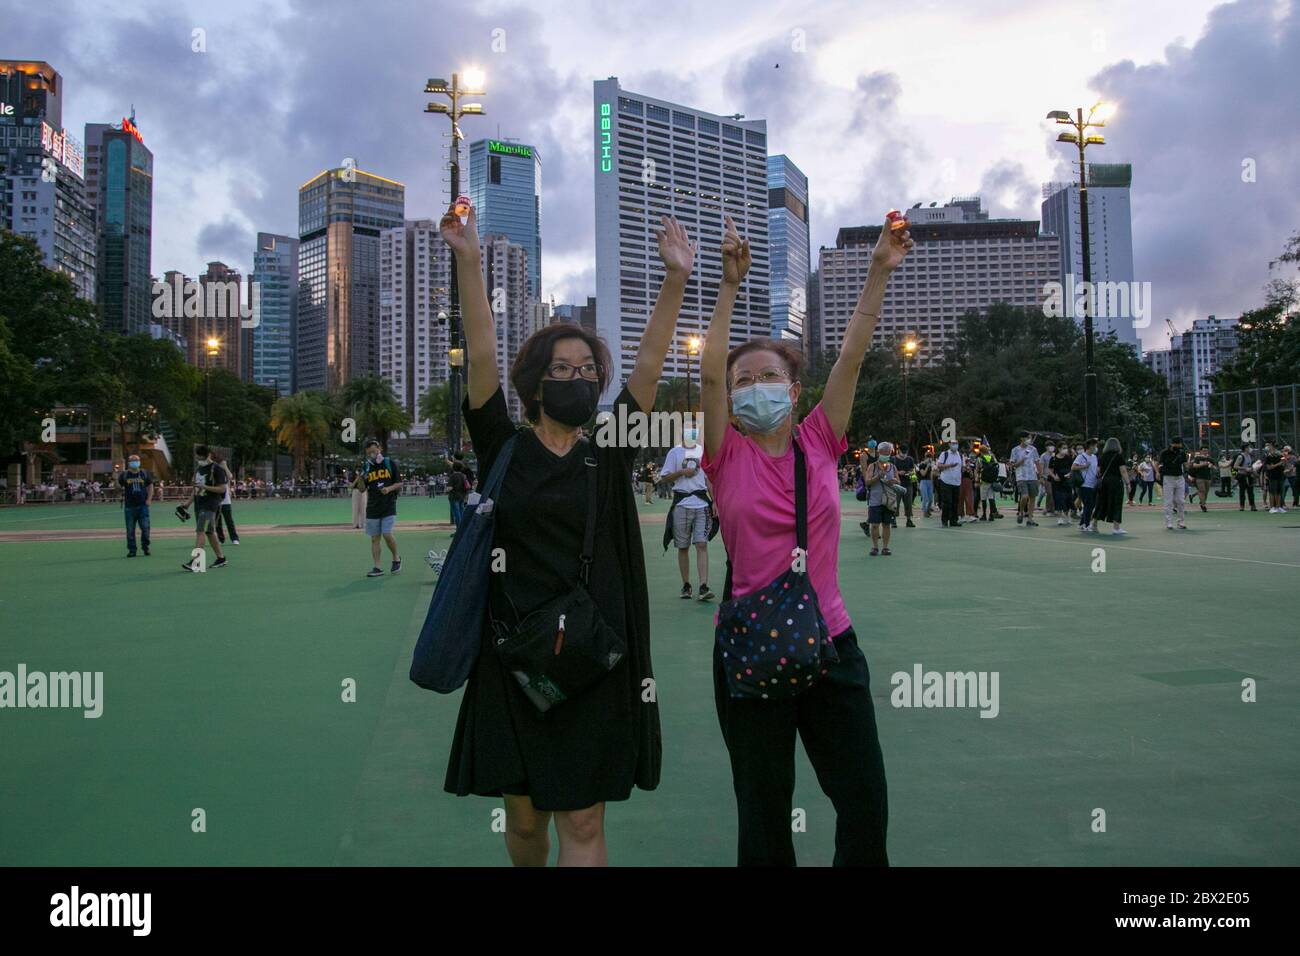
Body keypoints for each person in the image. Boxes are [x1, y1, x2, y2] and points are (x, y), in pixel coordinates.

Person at [440, 201, 672, 867]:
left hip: (592, 659)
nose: (579, 377)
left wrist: (675, 280)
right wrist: (468, 259)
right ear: (535, 385)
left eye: (587, 369)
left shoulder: (611, 446)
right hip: (514, 658)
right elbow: (481, 351)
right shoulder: (502, 448)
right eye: (563, 369)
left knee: (585, 823)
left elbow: (651, 364)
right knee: (523, 823)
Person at [699, 211, 906, 867]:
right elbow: (705, 373)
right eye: (744, 380)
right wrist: (729, 287)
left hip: (831, 646)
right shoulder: (723, 454)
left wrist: (877, 269)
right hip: (752, 646)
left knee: (865, 800)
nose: (756, 387)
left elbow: (852, 349)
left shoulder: (819, 439)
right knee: (764, 815)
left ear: (794, 389)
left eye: (769, 377)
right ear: (730, 398)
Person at [660, 426, 715, 600]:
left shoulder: (703, 452)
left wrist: (715, 502)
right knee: (682, 547)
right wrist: (682, 472)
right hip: (681, 504)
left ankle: (703, 586)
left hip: (701, 504)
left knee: (701, 544)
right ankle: (686, 585)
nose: (691, 434)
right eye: (687, 430)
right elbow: (665, 477)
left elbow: (708, 480)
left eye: (693, 430)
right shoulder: (674, 453)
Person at [356, 439, 402, 577]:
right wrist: (359, 478)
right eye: (369, 452)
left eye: (374, 451)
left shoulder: (389, 463)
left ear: (379, 449)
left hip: (388, 504)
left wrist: (388, 489)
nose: (372, 454)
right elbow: (362, 489)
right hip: (372, 507)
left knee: (387, 534)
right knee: (375, 538)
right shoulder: (367, 467)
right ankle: (377, 567)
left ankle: (396, 558)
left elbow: (399, 483)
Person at [183, 445, 228, 571]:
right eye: (197, 457)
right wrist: (187, 503)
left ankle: (196, 562)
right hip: (199, 504)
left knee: (201, 531)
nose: (198, 459)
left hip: (210, 505)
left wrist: (205, 487)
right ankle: (221, 558)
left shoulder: (217, 469)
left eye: (200, 457)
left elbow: (222, 488)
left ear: (208, 455)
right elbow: (196, 488)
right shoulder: (199, 469)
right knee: (209, 532)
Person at [865, 440, 901, 555]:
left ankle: (885, 547)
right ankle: (875, 547)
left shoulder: (893, 467)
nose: (886, 455)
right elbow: (867, 482)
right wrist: (878, 476)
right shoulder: (872, 466)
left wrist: (894, 481)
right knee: (874, 525)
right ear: (879, 452)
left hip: (888, 500)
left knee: (886, 524)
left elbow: (898, 481)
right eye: (884, 453)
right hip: (875, 500)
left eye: (888, 453)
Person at [116, 454, 153, 557]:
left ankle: (145, 547)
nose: (134, 462)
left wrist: (149, 499)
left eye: (136, 460)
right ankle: (132, 550)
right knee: (130, 529)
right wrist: (116, 476)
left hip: (143, 506)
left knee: (145, 528)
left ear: (139, 461)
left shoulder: (144, 474)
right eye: (132, 460)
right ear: (128, 463)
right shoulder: (124, 475)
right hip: (129, 506)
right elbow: (118, 487)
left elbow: (150, 486)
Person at [1092, 438, 1129, 535]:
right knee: (1116, 503)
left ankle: (1094, 524)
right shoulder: (1119, 457)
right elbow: (1123, 471)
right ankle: (1116, 528)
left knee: (1100, 503)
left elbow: (1098, 471)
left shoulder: (1102, 457)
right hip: (1116, 482)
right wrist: (1128, 483)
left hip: (1104, 482)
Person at [1155, 437, 1189, 531]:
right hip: (1168, 478)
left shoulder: (1182, 453)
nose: (1180, 446)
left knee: (1181, 501)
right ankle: (1169, 523)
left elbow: (1186, 465)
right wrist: (1157, 472)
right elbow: (1157, 463)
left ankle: (1181, 522)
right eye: (1179, 444)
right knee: (1168, 501)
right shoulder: (1164, 452)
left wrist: (1190, 465)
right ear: (1174, 444)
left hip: (1179, 477)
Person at [1010, 432, 1040, 527]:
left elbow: (1037, 462)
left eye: (1030, 438)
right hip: (1021, 477)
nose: (1029, 440)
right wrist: (1021, 461)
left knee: (1032, 498)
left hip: (1032, 477)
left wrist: (1041, 475)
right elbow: (1012, 465)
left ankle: (1030, 519)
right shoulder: (1015, 450)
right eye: (1028, 438)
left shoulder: (1033, 449)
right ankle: (1021, 512)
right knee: (1024, 496)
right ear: (1022, 439)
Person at [1072, 438, 1100, 533]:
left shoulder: (1095, 457)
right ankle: (1086, 525)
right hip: (1084, 484)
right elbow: (1073, 467)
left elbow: (1095, 469)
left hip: (1093, 484)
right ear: (1090, 446)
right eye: (1095, 446)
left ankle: (1081, 524)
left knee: (1091, 505)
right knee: (1088, 505)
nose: (1096, 448)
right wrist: (1084, 466)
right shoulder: (1081, 456)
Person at [212, 453, 240, 545]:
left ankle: (234, 538)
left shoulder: (225, 472)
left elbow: (230, 476)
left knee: (229, 520)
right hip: (216, 499)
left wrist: (225, 466)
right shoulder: (214, 471)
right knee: (217, 521)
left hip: (226, 500)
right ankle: (221, 539)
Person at [935, 439, 964, 528]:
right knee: (947, 502)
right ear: (949, 445)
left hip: (957, 482)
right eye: (953, 443)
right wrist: (950, 465)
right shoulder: (945, 454)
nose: (955, 445)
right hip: (946, 481)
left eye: (956, 443)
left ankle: (953, 520)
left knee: (955, 502)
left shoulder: (960, 455)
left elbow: (961, 467)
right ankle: (944, 520)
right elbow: (939, 465)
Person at [1047, 443, 1075, 525]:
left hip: (1067, 482)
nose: (1065, 449)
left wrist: (1070, 474)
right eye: (1064, 448)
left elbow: (1072, 468)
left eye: (1066, 448)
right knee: (1059, 499)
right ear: (1059, 449)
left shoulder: (1068, 458)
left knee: (1068, 499)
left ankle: (1067, 516)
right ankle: (1059, 517)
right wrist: (1054, 477)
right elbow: (1050, 470)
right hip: (1057, 482)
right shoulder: (1053, 459)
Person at [893, 442, 918, 528]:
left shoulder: (910, 459)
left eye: (905, 452)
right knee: (896, 503)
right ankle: (894, 520)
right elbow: (890, 471)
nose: (904, 454)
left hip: (908, 484)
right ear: (899, 450)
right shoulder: (893, 459)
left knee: (909, 503)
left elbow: (913, 471)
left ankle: (909, 520)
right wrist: (898, 472)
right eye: (902, 451)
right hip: (896, 484)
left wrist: (914, 482)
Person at [976, 442, 1002, 521]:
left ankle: (984, 515)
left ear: (981, 451)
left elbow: (977, 470)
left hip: (983, 481)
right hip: (992, 481)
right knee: (991, 497)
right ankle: (991, 515)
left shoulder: (980, 459)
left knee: (983, 499)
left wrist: (977, 480)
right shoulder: (992, 458)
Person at [1188, 445, 1216, 514]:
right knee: (1202, 490)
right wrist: (1204, 464)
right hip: (1199, 477)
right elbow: (1194, 465)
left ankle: (1202, 502)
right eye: (1203, 450)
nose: (1205, 452)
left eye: (1206, 450)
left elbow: (1215, 467)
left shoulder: (1210, 459)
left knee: (1206, 492)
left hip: (1208, 477)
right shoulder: (1198, 458)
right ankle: (1203, 505)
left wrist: (1212, 466)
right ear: (1200, 451)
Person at [1262, 440, 1287, 513]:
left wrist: (1283, 459)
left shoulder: (1280, 454)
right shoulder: (1268, 456)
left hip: (1280, 475)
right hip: (1272, 475)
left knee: (1279, 492)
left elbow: (1284, 462)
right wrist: (1278, 464)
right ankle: (1272, 507)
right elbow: (1269, 467)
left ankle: (1278, 507)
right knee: (1273, 492)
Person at [1233, 444, 1258, 511]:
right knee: (1242, 491)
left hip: (1249, 475)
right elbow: (1235, 466)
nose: (1250, 449)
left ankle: (1252, 505)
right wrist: (1245, 468)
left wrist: (1254, 472)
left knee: (1250, 491)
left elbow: (1250, 465)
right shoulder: (1240, 456)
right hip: (1242, 475)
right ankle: (1242, 506)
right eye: (1249, 447)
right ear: (1245, 448)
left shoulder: (1249, 456)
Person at [446, 462, 471, 528]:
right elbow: (467, 486)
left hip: (454, 496)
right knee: (461, 512)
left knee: (456, 514)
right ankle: (463, 529)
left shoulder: (453, 476)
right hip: (462, 496)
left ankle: (459, 530)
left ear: (453, 467)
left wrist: (446, 490)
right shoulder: (463, 476)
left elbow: (449, 488)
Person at [916, 447, 935, 518]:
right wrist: (927, 466)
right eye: (929, 457)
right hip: (923, 482)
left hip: (929, 482)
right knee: (925, 498)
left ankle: (928, 510)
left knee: (930, 499)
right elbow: (923, 474)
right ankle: (925, 512)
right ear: (926, 458)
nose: (930, 459)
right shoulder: (922, 465)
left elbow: (931, 475)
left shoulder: (930, 465)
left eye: (931, 458)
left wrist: (932, 483)